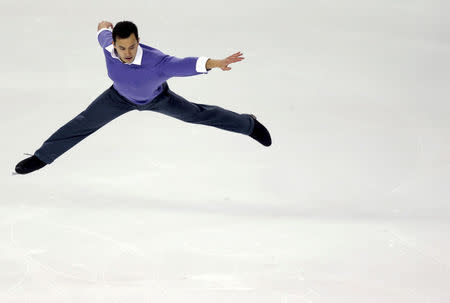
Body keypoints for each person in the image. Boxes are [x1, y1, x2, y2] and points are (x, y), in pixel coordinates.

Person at [15, 20, 271, 175]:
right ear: (114, 42)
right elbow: (102, 30)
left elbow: (186, 64)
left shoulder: (157, 62)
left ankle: (248, 124)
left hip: (158, 99)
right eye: (122, 46)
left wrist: (216, 63)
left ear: (139, 41)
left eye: (132, 46)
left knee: (196, 114)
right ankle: (42, 157)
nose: (127, 52)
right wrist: (104, 25)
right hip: (117, 98)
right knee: (84, 121)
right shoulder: (108, 46)